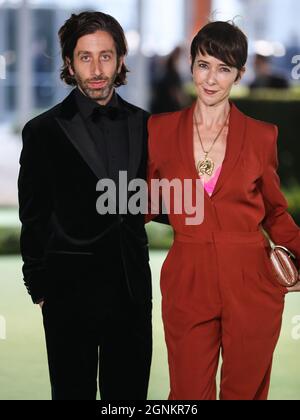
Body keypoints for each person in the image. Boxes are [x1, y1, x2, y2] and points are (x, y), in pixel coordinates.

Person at [147, 21, 300, 400]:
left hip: (252, 278)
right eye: (203, 65)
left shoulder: (262, 135)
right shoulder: (160, 130)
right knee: (187, 394)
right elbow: (143, 203)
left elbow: (275, 213)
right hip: (188, 275)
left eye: (224, 68)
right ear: (191, 65)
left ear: (240, 74)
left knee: (245, 393)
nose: (211, 79)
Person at [18, 11, 153, 400]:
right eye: (85, 57)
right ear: (68, 63)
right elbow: (34, 215)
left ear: (121, 59)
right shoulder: (42, 131)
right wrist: (39, 287)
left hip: (131, 294)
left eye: (106, 56)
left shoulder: (146, 125)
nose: (96, 68)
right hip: (67, 296)